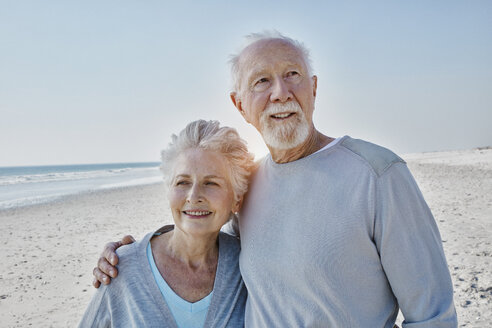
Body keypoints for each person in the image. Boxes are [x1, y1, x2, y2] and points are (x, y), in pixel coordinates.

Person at [93, 32, 458, 327]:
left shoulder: (378, 173)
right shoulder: (249, 184)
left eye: (292, 75)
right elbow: (205, 227)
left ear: (313, 87)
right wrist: (132, 254)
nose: (280, 92)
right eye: (262, 81)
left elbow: (433, 316)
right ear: (240, 104)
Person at [80, 120, 254, 327]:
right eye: (183, 182)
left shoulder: (248, 266)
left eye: (211, 183)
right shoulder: (121, 269)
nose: (193, 196)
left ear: (236, 199)